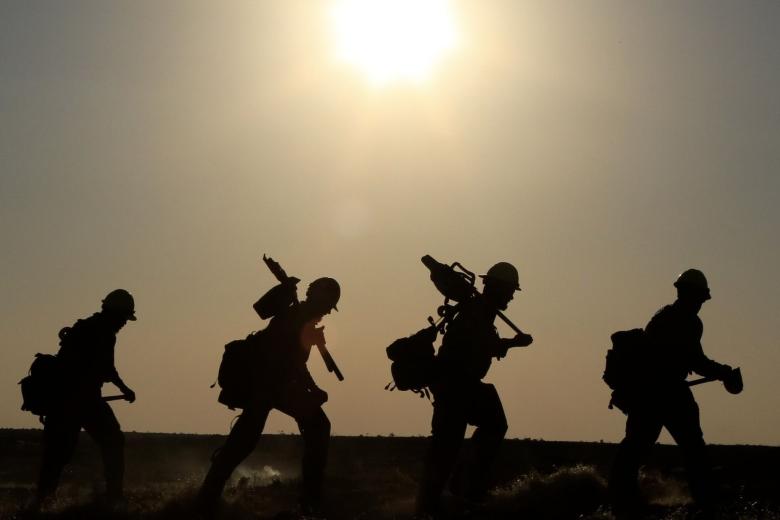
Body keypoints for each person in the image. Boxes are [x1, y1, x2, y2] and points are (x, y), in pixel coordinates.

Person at [198, 277, 340, 516]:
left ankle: (205, 500)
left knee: (244, 442)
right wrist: (312, 390)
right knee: (313, 427)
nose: (327, 312)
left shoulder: (300, 316)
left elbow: (295, 362)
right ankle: (310, 503)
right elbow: (292, 361)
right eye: (328, 305)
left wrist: (311, 388)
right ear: (321, 299)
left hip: (275, 385)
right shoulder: (298, 317)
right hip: (268, 385)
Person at [609, 269, 738, 518]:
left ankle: (621, 499)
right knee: (690, 449)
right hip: (663, 394)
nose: (701, 304)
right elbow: (695, 360)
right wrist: (723, 371)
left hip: (653, 393)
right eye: (700, 298)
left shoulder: (668, 317)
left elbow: (690, 359)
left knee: (637, 447)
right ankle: (705, 503)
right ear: (692, 295)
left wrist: (719, 371)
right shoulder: (684, 321)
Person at [416, 262, 533, 516]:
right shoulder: (477, 311)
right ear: (500, 289)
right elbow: (485, 344)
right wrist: (514, 343)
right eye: (510, 291)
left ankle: (452, 491)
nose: (512, 296)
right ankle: (444, 496)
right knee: (448, 448)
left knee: (453, 445)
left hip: (461, 387)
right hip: (456, 387)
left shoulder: (480, 310)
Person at [35, 289, 138, 506]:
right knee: (112, 441)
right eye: (124, 318)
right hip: (79, 400)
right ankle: (114, 497)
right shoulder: (103, 331)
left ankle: (41, 503)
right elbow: (107, 367)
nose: (124, 324)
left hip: (68, 399)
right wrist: (125, 389)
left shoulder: (88, 327)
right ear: (116, 313)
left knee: (57, 454)